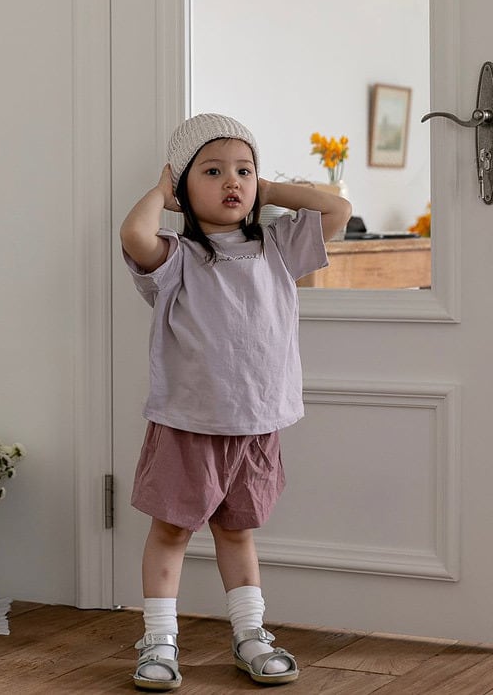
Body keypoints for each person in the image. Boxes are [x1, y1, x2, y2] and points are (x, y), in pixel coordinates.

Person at [120, 113, 352, 690]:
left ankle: (250, 633)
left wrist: (268, 189)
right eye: (213, 171)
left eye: (243, 170)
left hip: (256, 422)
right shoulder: (176, 256)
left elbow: (338, 211)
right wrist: (161, 192)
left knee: (237, 531)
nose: (233, 181)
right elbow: (133, 236)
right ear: (183, 186)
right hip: (189, 422)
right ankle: (159, 639)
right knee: (171, 531)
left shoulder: (278, 246)